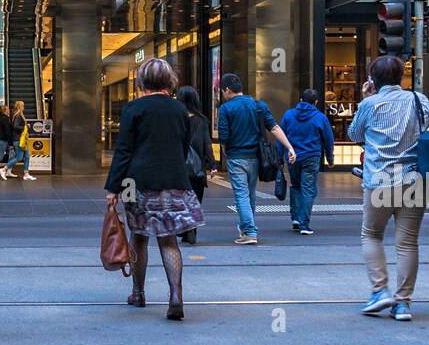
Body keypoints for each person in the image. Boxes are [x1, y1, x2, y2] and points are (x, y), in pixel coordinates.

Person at [105, 58, 204, 320]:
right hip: (173, 180)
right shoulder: (179, 110)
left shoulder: (134, 109)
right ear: (169, 80)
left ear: (142, 81)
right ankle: (175, 295)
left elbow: (124, 152)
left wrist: (113, 188)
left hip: (134, 183)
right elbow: (183, 149)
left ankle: (138, 293)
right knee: (168, 239)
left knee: (138, 236)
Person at [350, 58, 429, 321]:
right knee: (408, 242)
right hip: (415, 180)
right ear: (402, 76)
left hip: (379, 180)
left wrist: (366, 97)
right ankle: (402, 303)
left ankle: (380, 290)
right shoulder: (418, 100)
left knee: (371, 234)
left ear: (372, 78)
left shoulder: (369, 103)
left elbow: (355, 134)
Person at [216, 72, 294, 244]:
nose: (223, 94)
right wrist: (289, 147)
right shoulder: (258, 106)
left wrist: (226, 153)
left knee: (241, 195)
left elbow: (224, 138)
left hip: (236, 157)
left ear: (227, 90)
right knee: (250, 194)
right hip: (255, 158)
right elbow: (274, 127)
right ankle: (246, 229)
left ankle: (250, 232)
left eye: (223, 91)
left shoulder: (226, 109)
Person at [280, 89, 336, 237]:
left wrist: (279, 157)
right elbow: (328, 140)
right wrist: (329, 158)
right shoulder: (320, 118)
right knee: (308, 189)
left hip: (292, 157)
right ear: (316, 102)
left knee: (296, 186)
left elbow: (281, 136)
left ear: (300, 100)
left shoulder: (289, 115)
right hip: (311, 157)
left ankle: (295, 218)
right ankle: (304, 223)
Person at [176, 85, 215, 245]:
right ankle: (191, 231)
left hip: (180, 168)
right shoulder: (202, 120)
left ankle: (186, 231)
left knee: (181, 201)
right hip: (197, 169)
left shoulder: (177, 119)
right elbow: (207, 144)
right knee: (195, 202)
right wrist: (212, 164)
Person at [6, 100, 37, 180]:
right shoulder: (18, 115)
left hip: (21, 139)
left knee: (27, 156)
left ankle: (26, 174)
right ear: (20, 107)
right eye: (23, 106)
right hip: (19, 139)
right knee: (19, 158)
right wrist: (25, 127)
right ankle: (4, 169)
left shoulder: (17, 115)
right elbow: (16, 126)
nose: (24, 107)